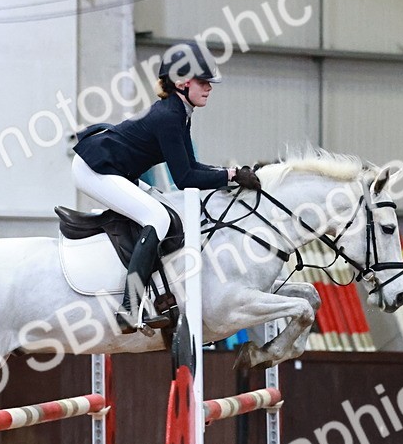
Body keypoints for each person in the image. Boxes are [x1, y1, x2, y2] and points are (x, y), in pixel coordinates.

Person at [72, 42, 261, 333]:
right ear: (181, 82)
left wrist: (232, 174)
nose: (209, 87)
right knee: (157, 218)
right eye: (203, 81)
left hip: (115, 170)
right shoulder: (169, 117)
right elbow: (185, 178)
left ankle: (157, 295)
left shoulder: (180, 113)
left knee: (170, 211)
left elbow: (193, 167)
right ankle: (130, 307)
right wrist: (231, 175)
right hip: (94, 169)